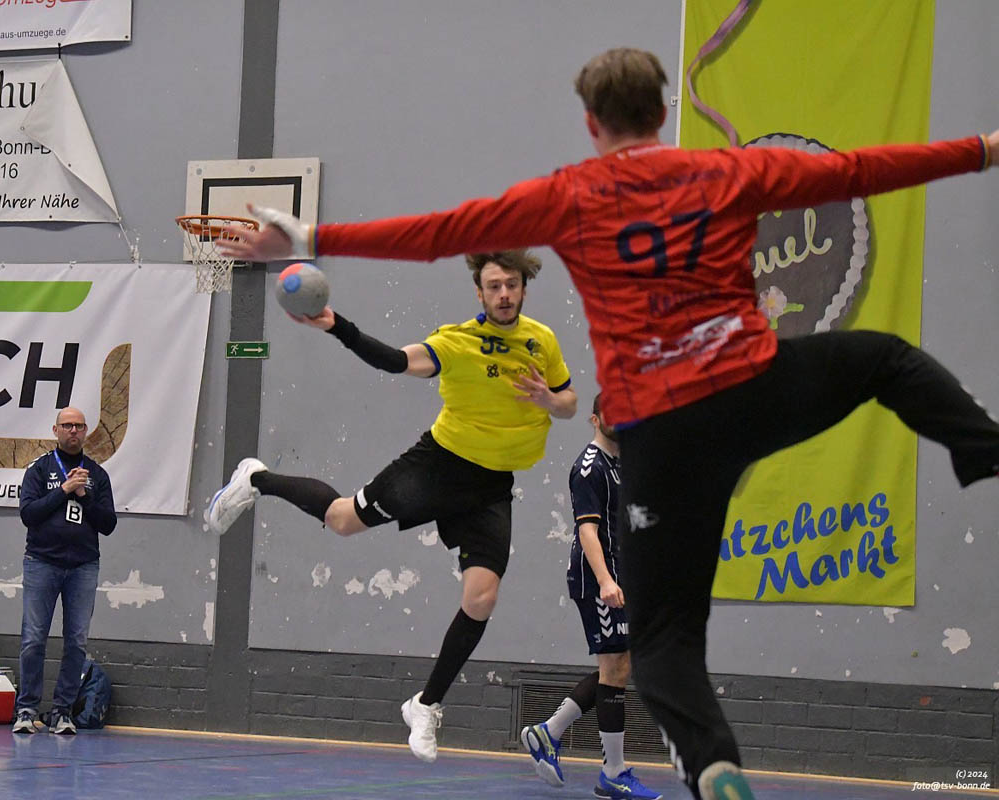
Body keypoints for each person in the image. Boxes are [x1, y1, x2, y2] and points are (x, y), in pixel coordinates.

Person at [219, 48, 999, 800]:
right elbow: (860, 170)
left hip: (661, 435)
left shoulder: (569, 195)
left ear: (592, 124)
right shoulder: (729, 170)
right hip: (752, 386)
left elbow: (439, 232)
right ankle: (987, 449)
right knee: (887, 359)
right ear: (662, 110)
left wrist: (313, 239)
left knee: (660, 646)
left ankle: (712, 767)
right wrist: (985, 150)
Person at [207, 250, 577, 762]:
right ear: (479, 292)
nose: (504, 294)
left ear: (523, 289)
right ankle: (258, 478)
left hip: (490, 487)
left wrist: (548, 400)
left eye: (511, 285)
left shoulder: (542, 341)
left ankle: (426, 704)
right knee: (342, 521)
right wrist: (337, 326)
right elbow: (395, 361)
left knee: (482, 599)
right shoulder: (456, 342)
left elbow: (569, 401)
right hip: (438, 466)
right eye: (494, 286)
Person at [521, 394, 661, 800]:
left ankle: (548, 733)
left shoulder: (623, 463)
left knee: (617, 667)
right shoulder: (589, 467)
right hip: (598, 579)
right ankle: (613, 773)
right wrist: (605, 581)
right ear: (595, 419)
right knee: (615, 667)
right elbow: (587, 530)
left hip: (624, 577)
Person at [13, 406, 117, 735]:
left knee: (76, 641)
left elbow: (108, 524)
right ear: (55, 430)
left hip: (83, 566)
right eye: (67, 425)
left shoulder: (97, 475)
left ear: (86, 432)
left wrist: (84, 495)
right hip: (42, 562)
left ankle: (62, 712)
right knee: (33, 639)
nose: (73, 431)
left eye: (79, 426)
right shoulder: (40, 469)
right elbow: (29, 514)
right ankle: (26, 709)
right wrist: (64, 490)